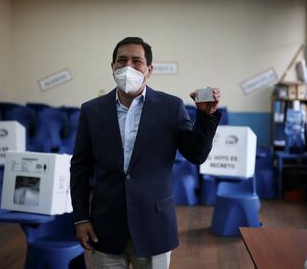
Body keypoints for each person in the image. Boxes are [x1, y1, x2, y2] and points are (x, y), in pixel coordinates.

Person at [70, 37, 221, 268]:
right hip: (105, 226)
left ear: (149, 70)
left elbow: (196, 155)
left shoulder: (170, 107)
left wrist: (205, 117)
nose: (128, 67)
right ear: (112, 67)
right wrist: (81, 218)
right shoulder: (92, 110)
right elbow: (80, 168)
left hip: (155, 225)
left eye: (136, 61)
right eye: (121, 60)